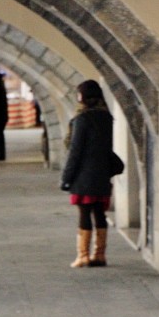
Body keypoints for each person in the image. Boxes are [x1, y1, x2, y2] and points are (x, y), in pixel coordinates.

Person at [60, 80, 115, 268]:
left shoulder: (82, 119)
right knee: (99, 213)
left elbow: (75, 151)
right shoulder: (107, 117)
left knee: (84, 214)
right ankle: (99, 254)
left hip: (84, 175)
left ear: (82, 97)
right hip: (102, 173)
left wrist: (67, 178)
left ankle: (83, 255)